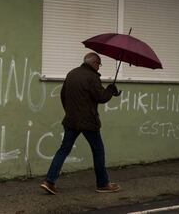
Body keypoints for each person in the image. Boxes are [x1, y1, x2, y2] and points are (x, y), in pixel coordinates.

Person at [40, 52, 121, 194]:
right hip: (89, 121)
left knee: (63, 150)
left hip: (71, 120)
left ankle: (49, 181)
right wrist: (110, 90)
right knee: (98, 150)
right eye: (99, 64)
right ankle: (102, 184)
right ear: (94, 63)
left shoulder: (72, 73)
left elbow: (63, 95)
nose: (99, 68)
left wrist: (69, 112)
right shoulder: (92, 77)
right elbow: (101, 97)